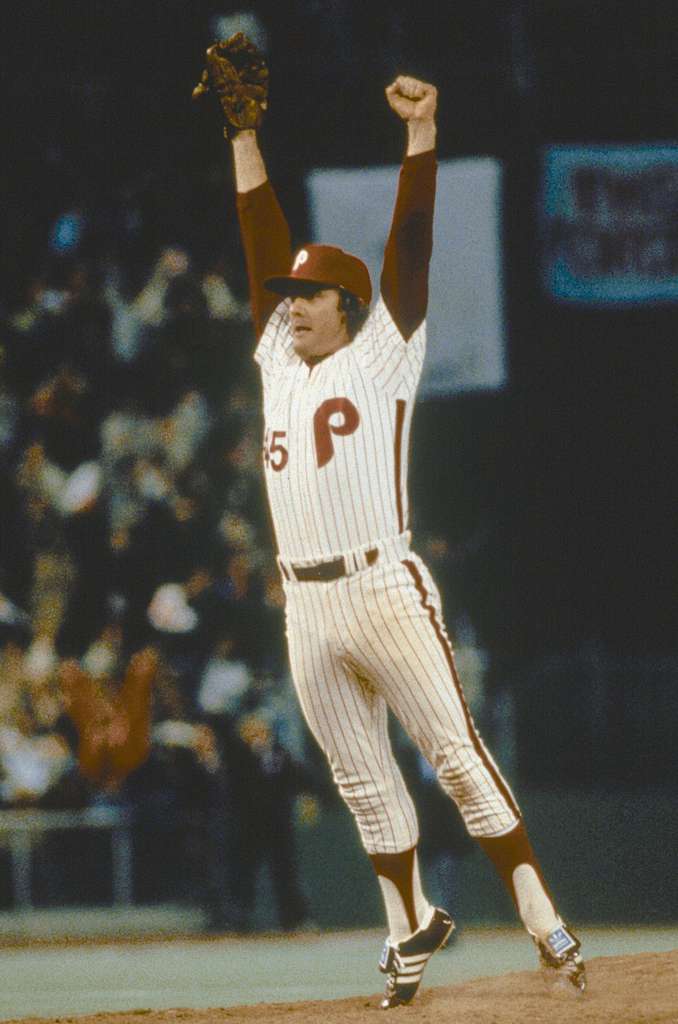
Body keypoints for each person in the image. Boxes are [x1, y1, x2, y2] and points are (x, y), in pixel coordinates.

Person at [212, 40, 585, 1008]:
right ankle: (407, 929)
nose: (290, 306)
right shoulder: (276, 358)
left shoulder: (384, 351)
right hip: (305, 603)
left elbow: (409, 245)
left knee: (455, 756)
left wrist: (422, 135)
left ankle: (543, 918)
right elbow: (259, 241)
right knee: (361, 781)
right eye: (288, 296)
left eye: (308, 296)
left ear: (347, 305)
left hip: (383, 583)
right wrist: (245, 137)